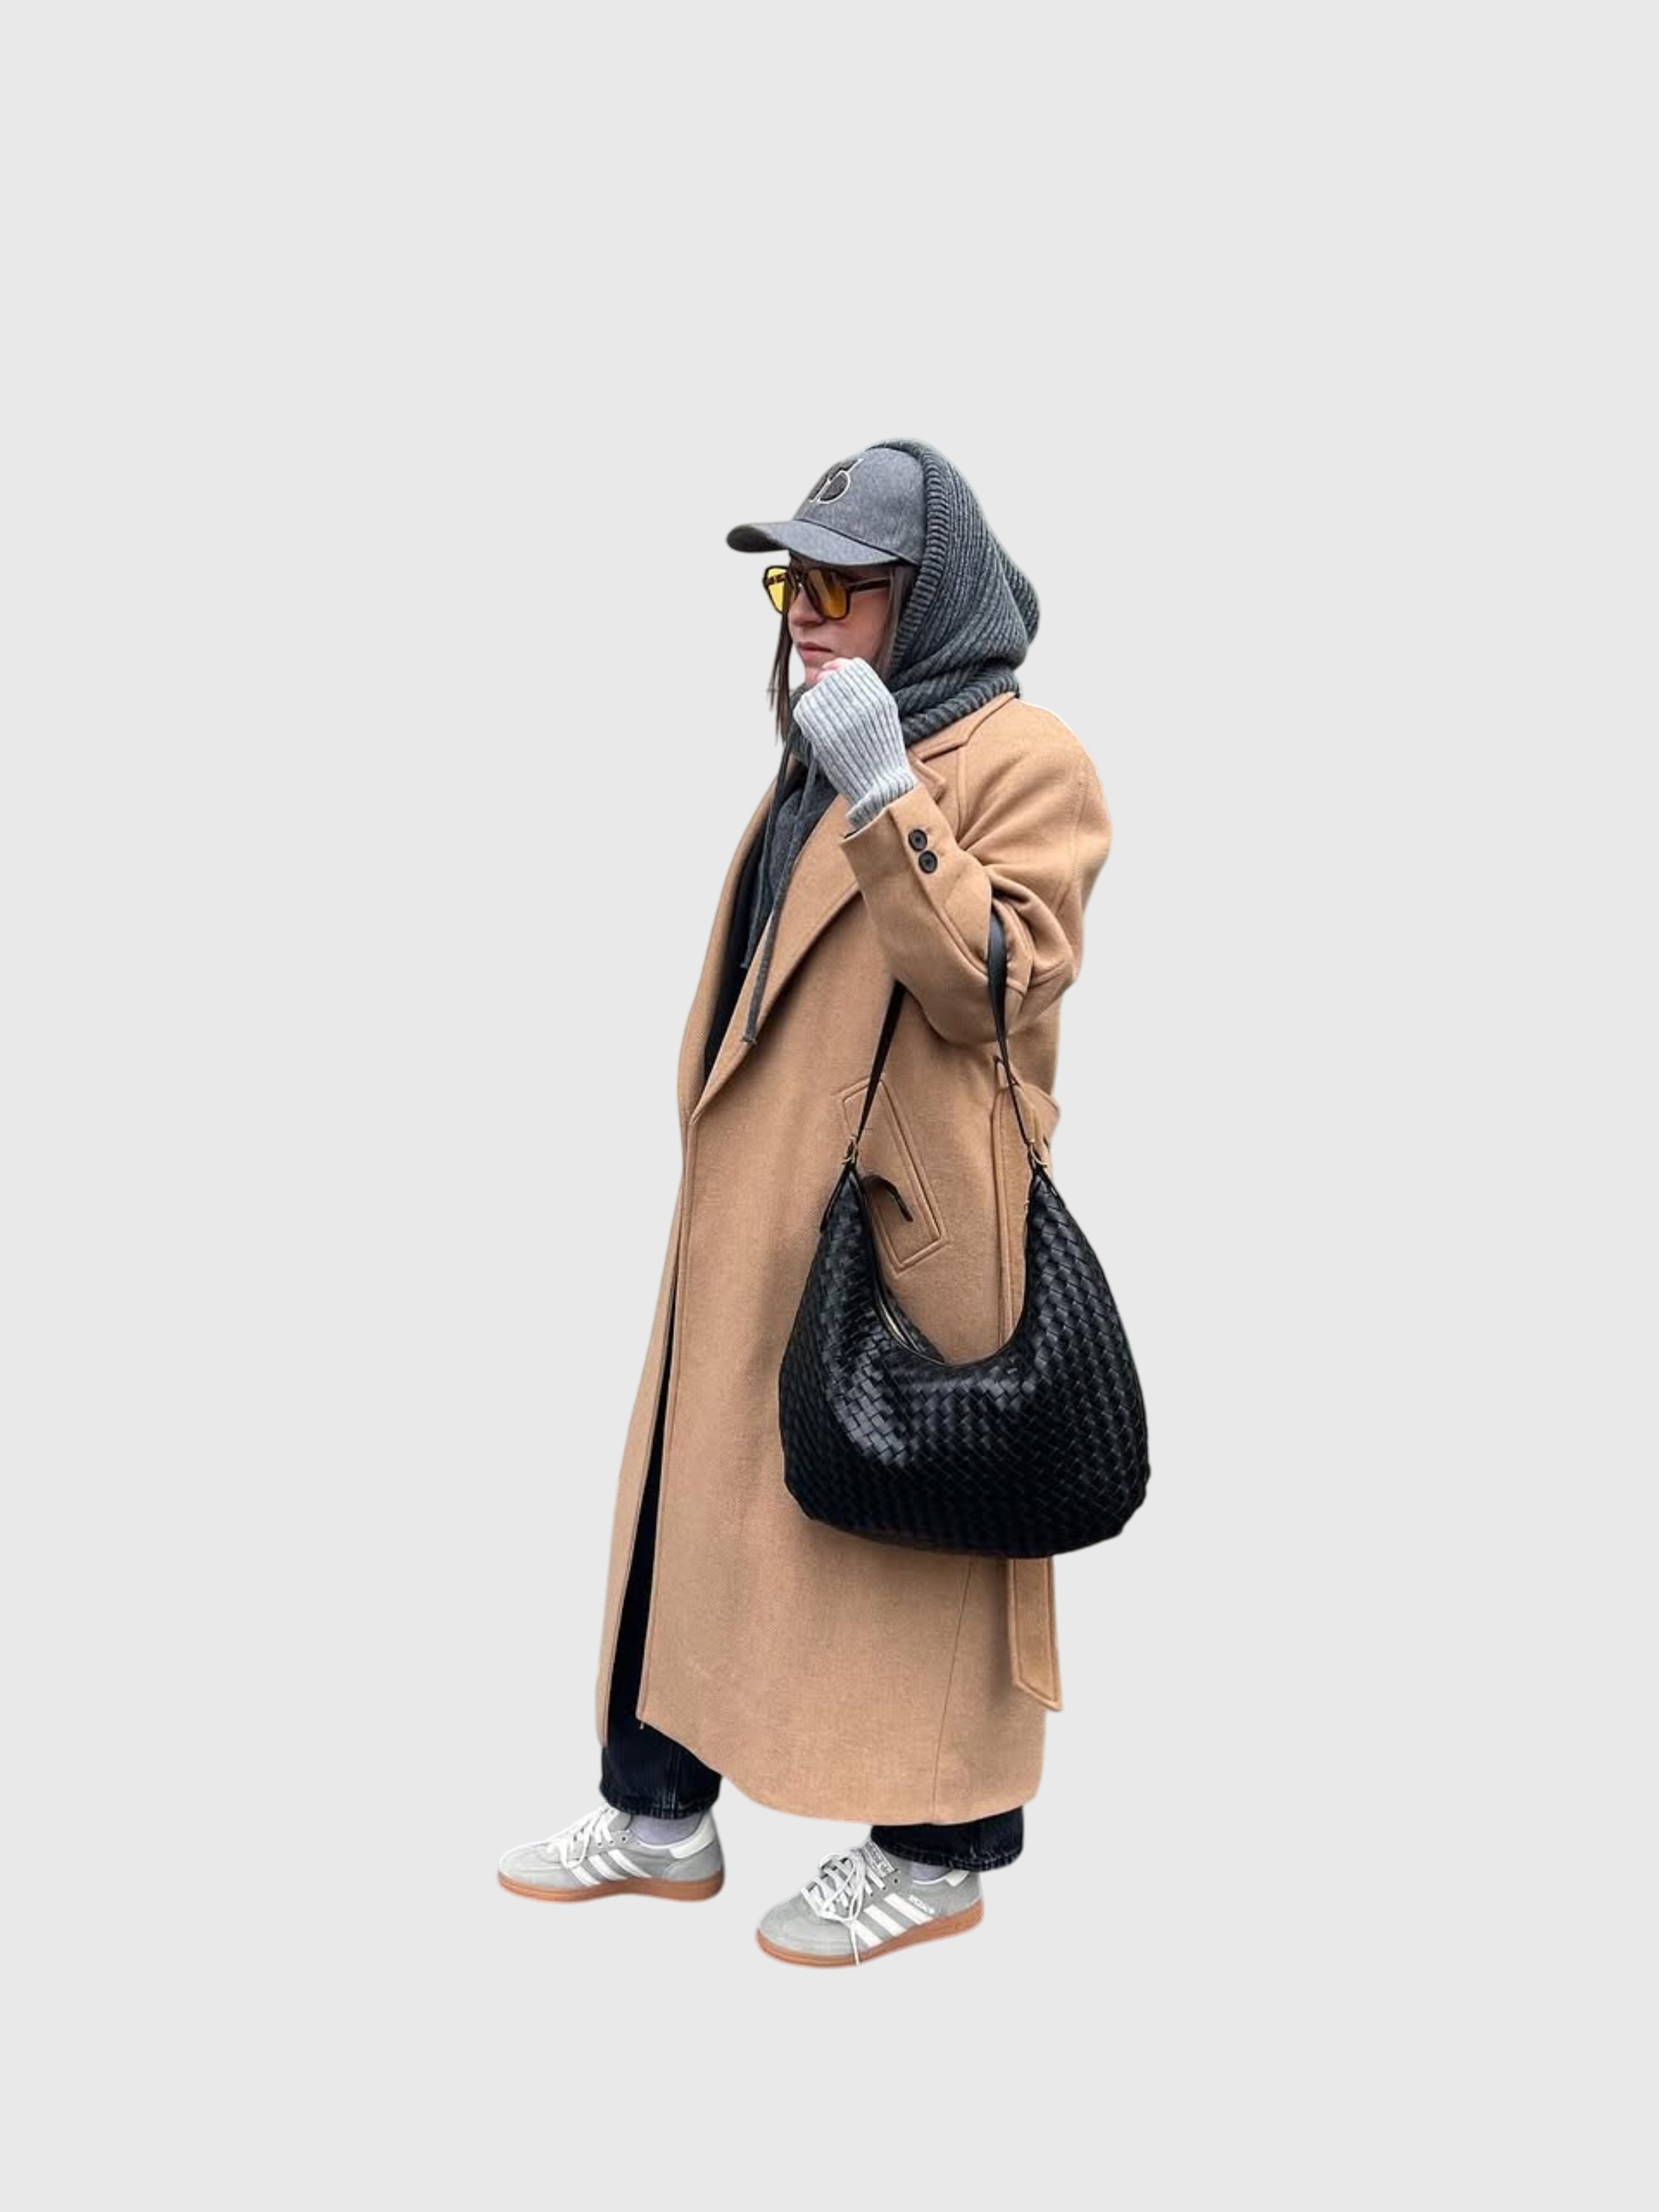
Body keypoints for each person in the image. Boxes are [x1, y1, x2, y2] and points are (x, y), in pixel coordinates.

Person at [498, 439, 1114, 1967]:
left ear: (933, 596)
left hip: (905, 1225)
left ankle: (940, 1853)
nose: (806, 615)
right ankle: (659, 1812)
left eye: (844, 586)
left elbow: (995, 987)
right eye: (793, 583)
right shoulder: (823, 749)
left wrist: (890, 796)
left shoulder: (1020, 758)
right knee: (692, 1509)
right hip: (756, 1201)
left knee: (916, 1526)